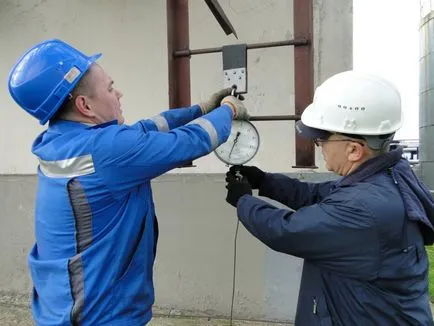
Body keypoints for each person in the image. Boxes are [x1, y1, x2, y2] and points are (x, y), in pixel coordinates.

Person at [8, 38, 249, 326]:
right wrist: (228, 110)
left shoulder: (62, 142)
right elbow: (191, 141)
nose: (118, 93)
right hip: (99, 314)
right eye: (110, 88)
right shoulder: (106, 151)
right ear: (85, 105)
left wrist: (200, 108)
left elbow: (146, 129)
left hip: (64, 303)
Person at [225, 70, 434, 325]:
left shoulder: (364, 207)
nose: (318, 144)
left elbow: (287, 230)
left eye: (322, 138)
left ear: (354, 150)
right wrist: (264, 181)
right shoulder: (387, 175)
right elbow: (316, 195)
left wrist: (244, 200)